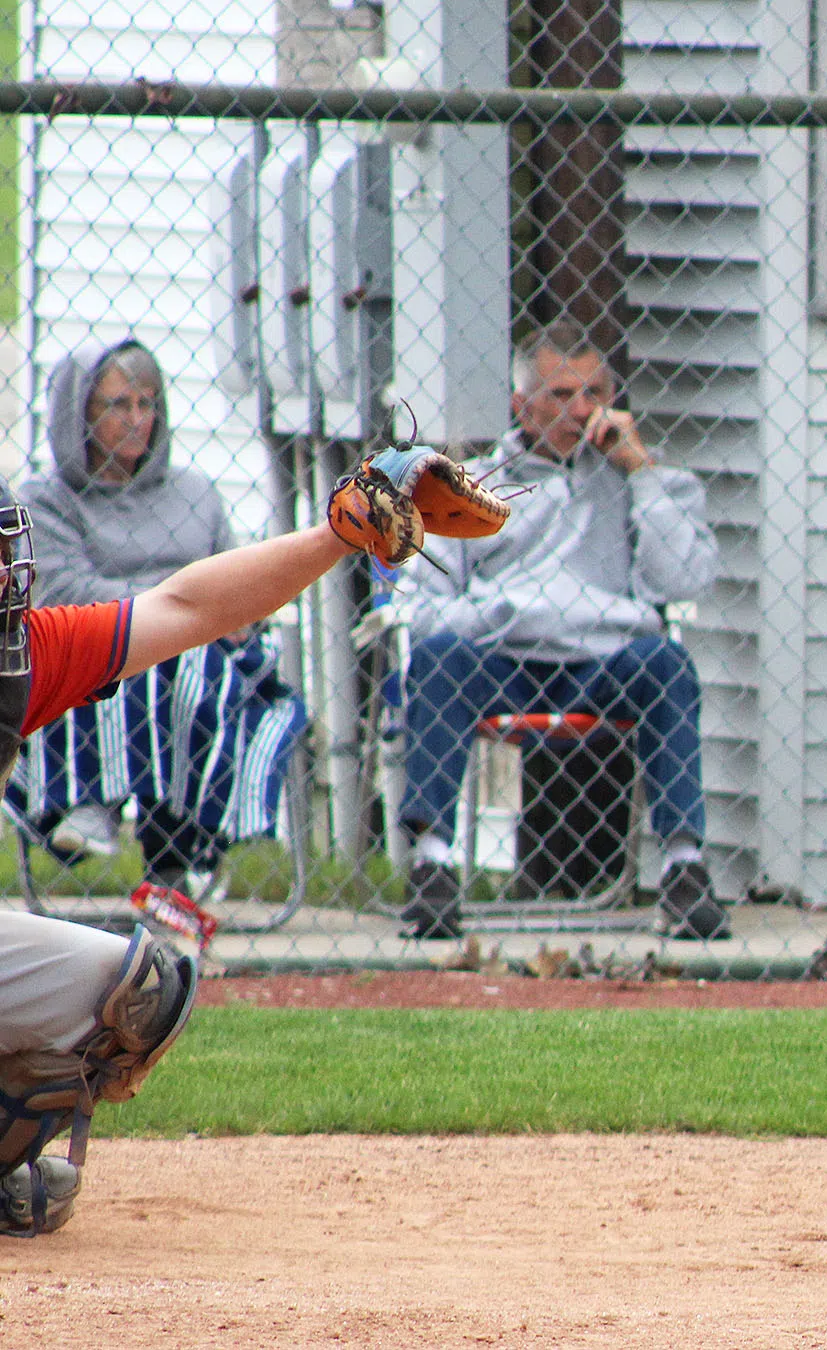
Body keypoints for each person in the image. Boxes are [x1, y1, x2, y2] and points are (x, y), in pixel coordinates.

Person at [3, 474, 427, 1235]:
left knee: (134, 987)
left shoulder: (23, 659)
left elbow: (187, 607)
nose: (5, 579)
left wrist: (339, 535)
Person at [396, 321, 725, 941]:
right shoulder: (466, 487)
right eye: (562, 395)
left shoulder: (640, 482)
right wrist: (506, 611)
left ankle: (684, 870)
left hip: (602, 664)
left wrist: (643, 472)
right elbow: (425, 613)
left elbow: (685, 581)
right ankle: (433, 869)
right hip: (500, 661)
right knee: (438, 658)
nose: (583, 410)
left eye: (595, 393)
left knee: (668, 665)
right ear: (521, 406)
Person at [13, 339, 308, 887]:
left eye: (148, 404)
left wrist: (211, 611)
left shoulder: (196, 496)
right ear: (79, 410)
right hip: (114, 654)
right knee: (119, 646)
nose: (137, 419)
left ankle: (168, 843)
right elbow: (67, 593)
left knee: (192, 666)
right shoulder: (47, 500)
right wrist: (189, 602)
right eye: (118, 404)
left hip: (211, 660)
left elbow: (236, 583)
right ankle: (113, 812)